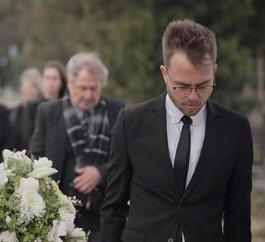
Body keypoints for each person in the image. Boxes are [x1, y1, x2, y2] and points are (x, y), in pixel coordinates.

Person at [100, 19, 253, 242]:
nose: (193, 96)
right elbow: (113, 207)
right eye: (181, 86)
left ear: (214, 71)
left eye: (203, 85)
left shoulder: (236, 129)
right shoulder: (130, 122)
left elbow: (238, 216)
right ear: (164, 73)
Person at [29, 52, 124, 242]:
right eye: (83, 88)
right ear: (70, 85)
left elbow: (126, 161)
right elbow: (35, 159)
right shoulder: (49, 112)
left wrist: (100, 174)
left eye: (94, 89)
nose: (89, 95)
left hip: (102, 220)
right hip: (59, 220)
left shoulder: (118, 112)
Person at [23, 60, 67, 146]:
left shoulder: (67, 104)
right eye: (47, 78)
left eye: (55, 78)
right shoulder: (32, 106)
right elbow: (28, 135)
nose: (51, 82)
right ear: (42, 81)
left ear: (61, 82)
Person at [9, 68, 41, 150]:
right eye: (27, 87)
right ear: (21, 88)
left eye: (34, 87)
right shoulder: (13, 112)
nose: (30, 91)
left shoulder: (42, 111)